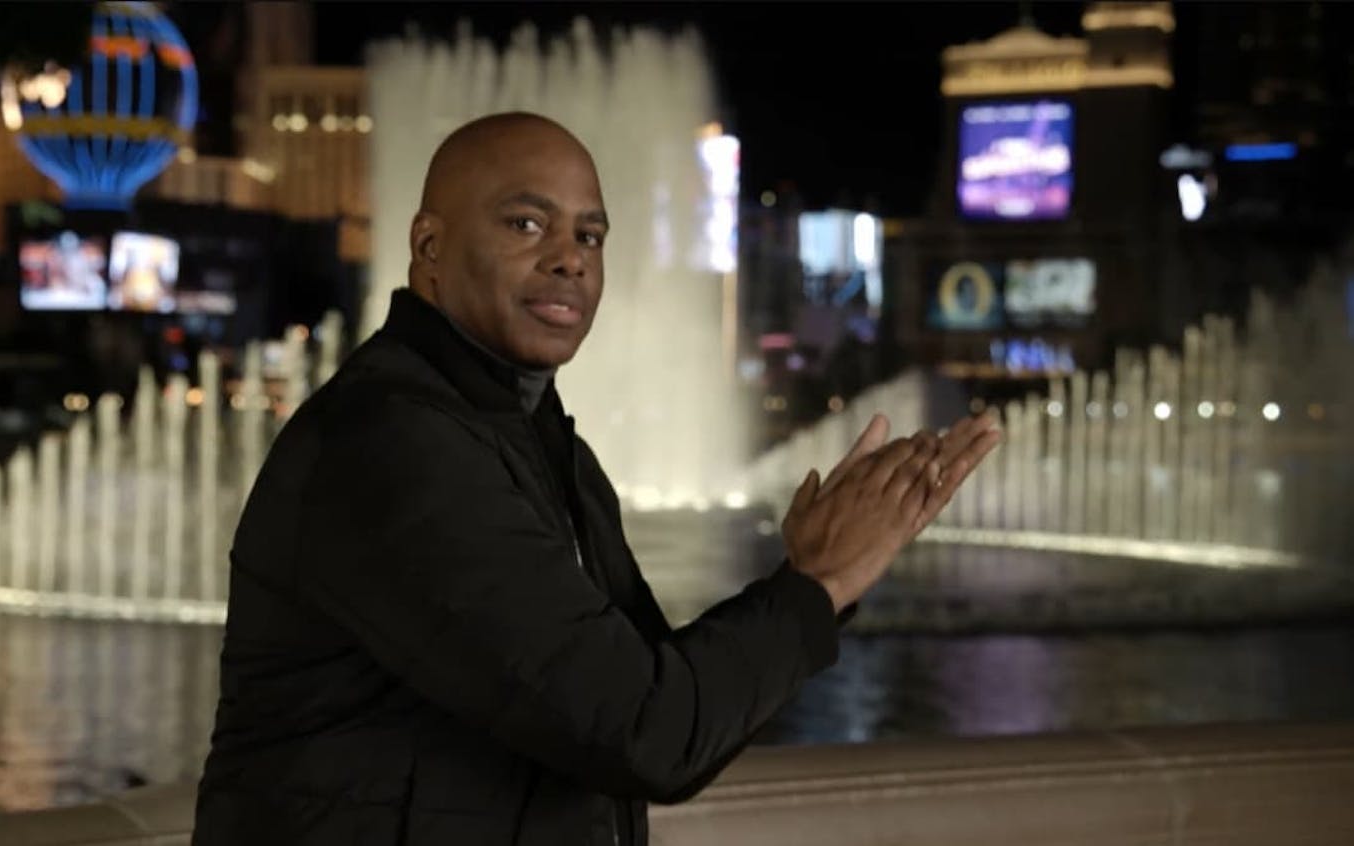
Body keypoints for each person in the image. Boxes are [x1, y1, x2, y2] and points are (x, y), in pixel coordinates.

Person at [192, 112, 1000, 846]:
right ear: (430, 248)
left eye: (590, 236)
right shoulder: (392, 445)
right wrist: (817, 583)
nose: (569, 261)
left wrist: (813, 577)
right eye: (527, 223)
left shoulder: (537, 440)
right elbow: (649, 734)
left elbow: (656, 697)